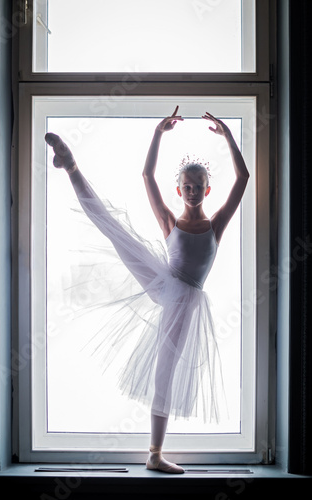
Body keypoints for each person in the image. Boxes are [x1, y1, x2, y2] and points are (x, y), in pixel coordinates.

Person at [45, 107, 249, 474]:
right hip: (162, 278)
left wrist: (228, 137)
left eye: (197, 186)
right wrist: (158, 133)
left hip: (184, 297)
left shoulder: (216, 224)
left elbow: (244, 177)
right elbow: (146, 175)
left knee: (165, 371)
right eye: (185, 186)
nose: (191, 191)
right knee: (114, 229)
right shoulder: (169, 220)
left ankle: (154, 453)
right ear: (179, 189)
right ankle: (71, 166)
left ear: (207, 189)